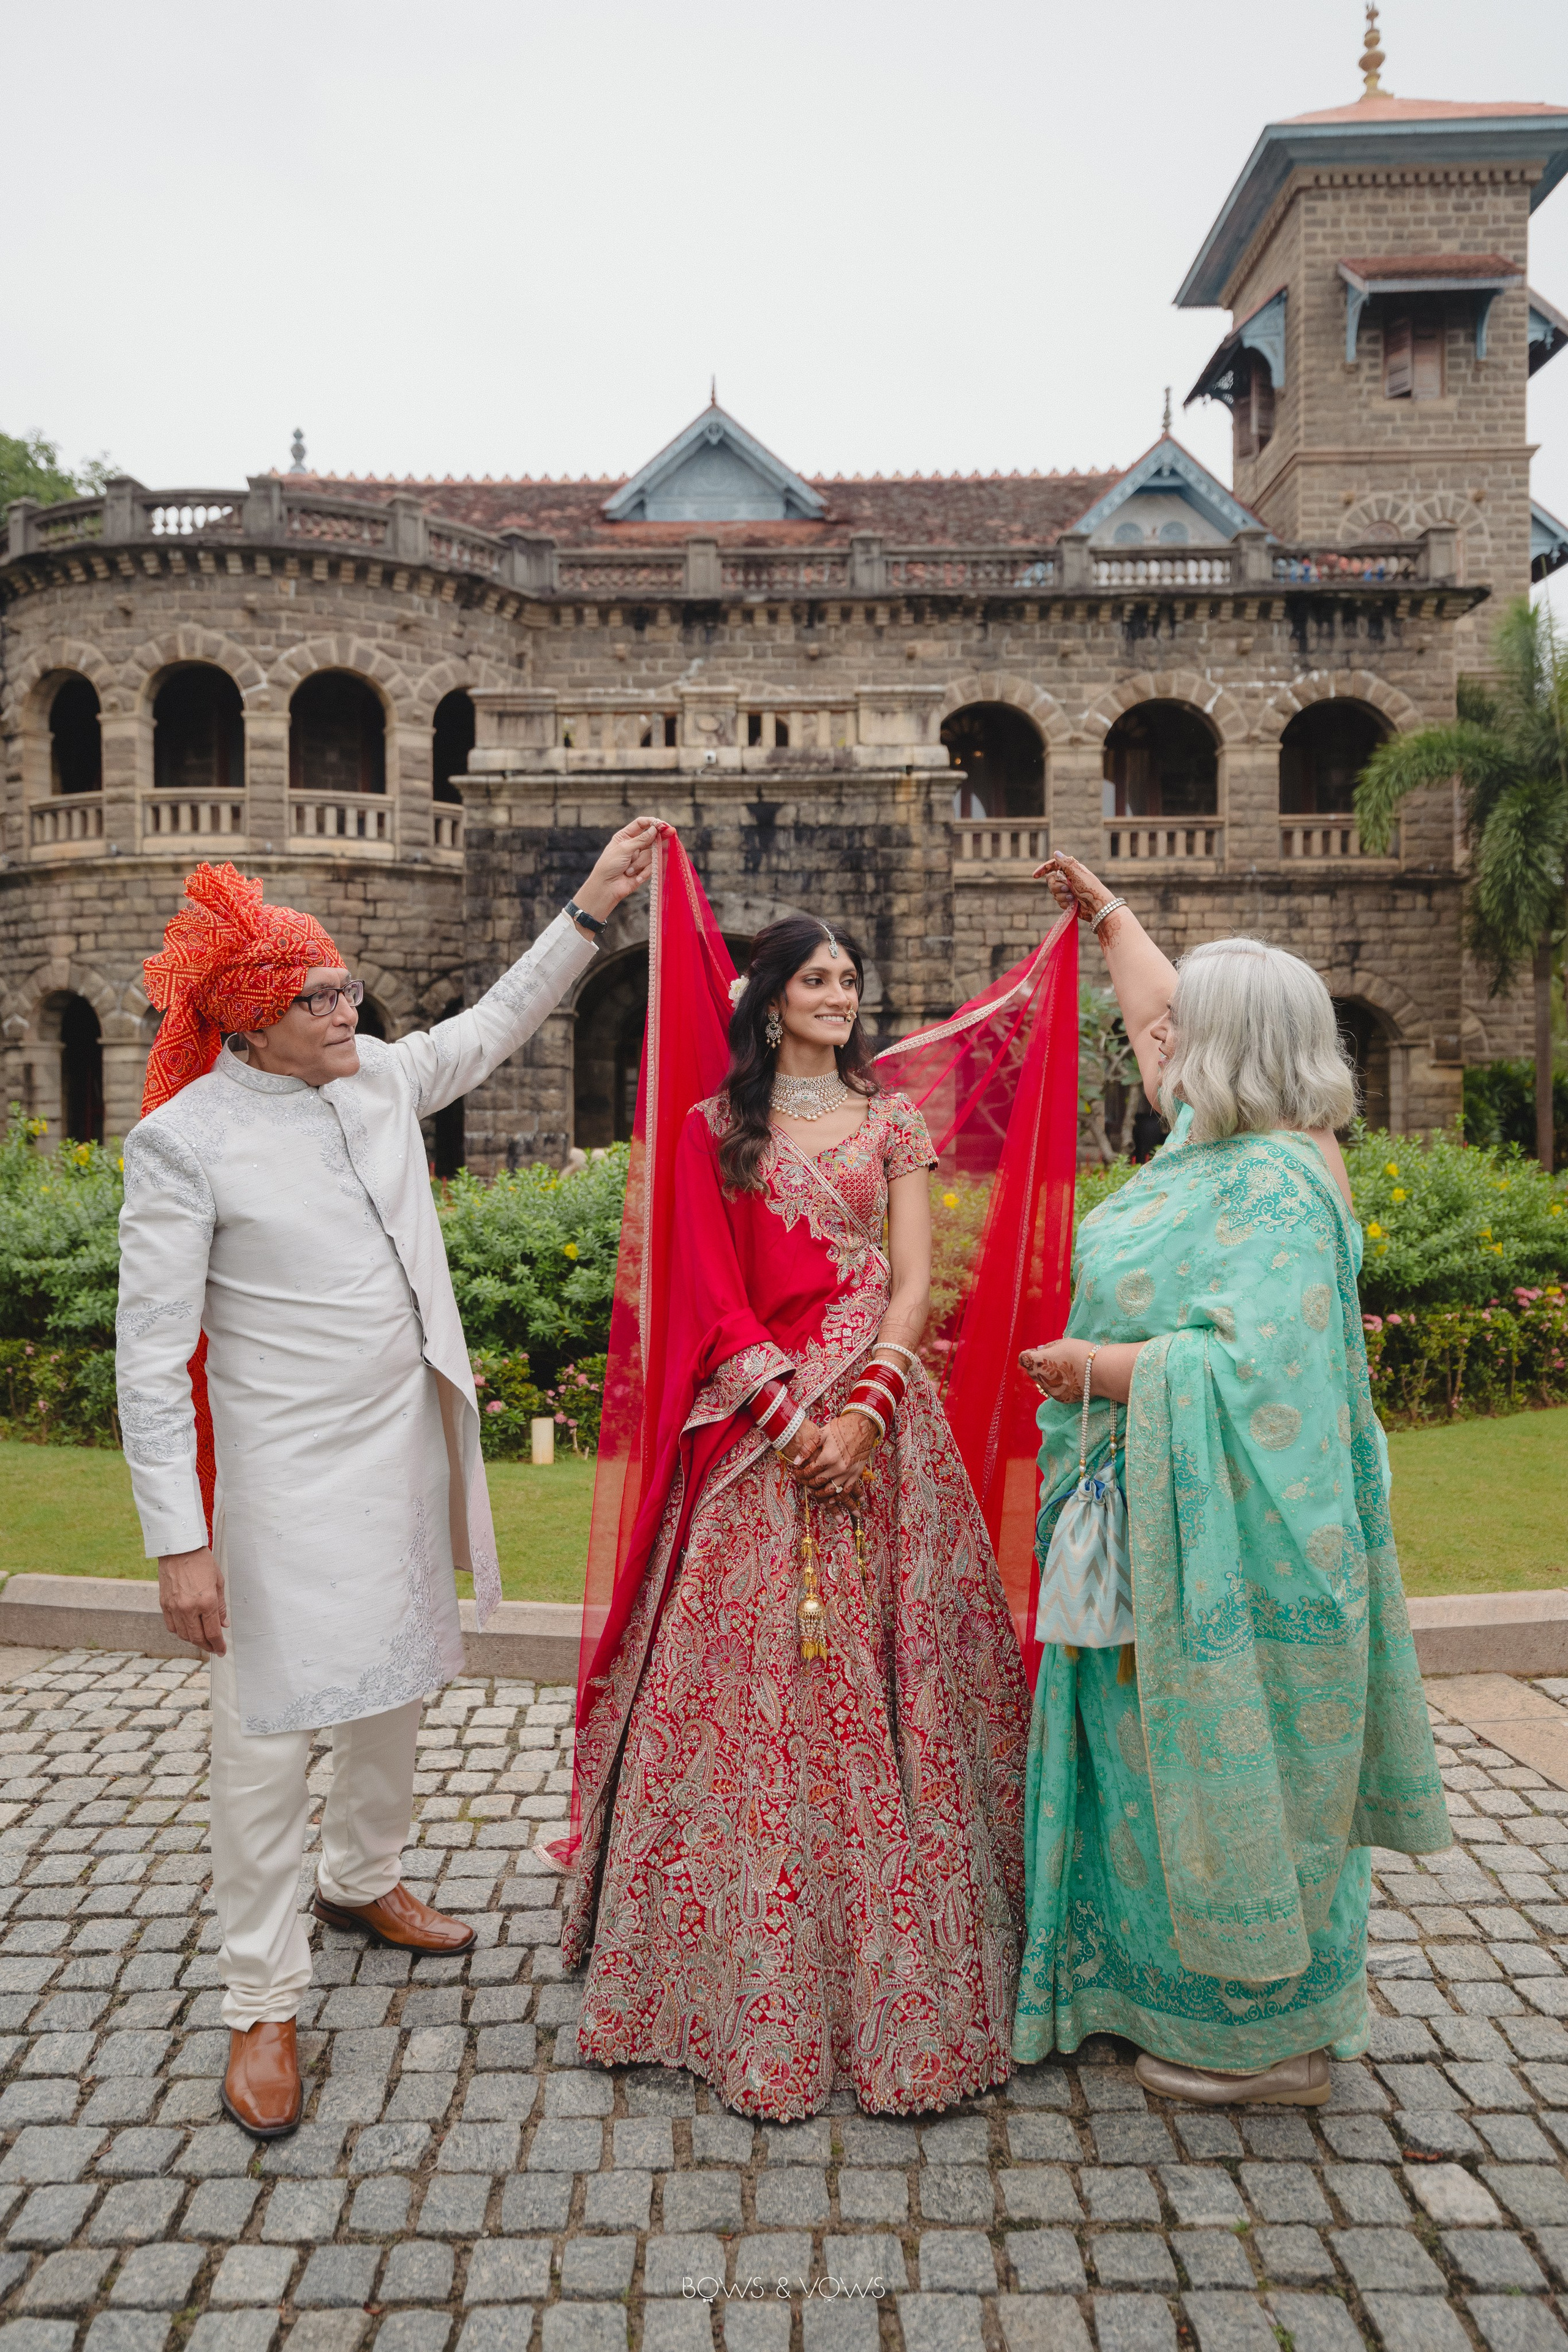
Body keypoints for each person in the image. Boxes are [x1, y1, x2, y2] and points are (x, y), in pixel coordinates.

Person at [115, 824, 657, 2138]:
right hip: (279, 1482)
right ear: (251, 1021)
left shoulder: (373, 1081)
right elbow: (147, 1354)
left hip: (402, 1447)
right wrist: (180, 1546)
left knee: (400, 1678)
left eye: (347, 988)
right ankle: (261, 1997)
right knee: (261, 1736)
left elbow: (494, 1023)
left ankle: (363, 1878)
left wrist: (585, 911)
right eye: (319, 999)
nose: (347, 1010)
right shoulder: (187, 1142)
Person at [560, 889, 1033, 2120]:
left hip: (880, 1427)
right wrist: (791, 1423)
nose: (836, 996)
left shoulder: (893, 1124)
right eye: (814, 979)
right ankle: (722, 1970)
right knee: (749, 1693)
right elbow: (709, 1299)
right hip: (756, 1431)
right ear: (767, 1003)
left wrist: (866, 1411)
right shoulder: (711, 1126)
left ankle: (918, 1954)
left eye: (845, 978)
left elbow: (916, 1277)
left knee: (903, 1685)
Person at [1011, 853, 1449, 2106]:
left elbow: (1263, 1381)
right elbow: (1153, 1015)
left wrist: (1095, 1366)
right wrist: (1110, 917)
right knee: (1140, 1764)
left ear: (1234, 1045)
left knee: (1227, 1769)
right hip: (1144, 1523)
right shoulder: (1218, 1136)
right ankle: (1136, 1988)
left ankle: (1262, 2044)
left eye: (1188, 1026)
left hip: (1243, 1547)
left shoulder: (1277, 1181)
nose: (1160, 1039)